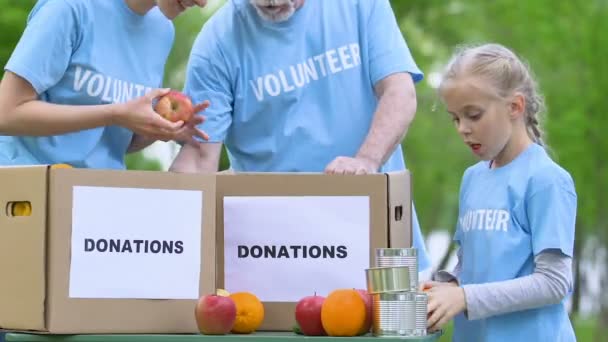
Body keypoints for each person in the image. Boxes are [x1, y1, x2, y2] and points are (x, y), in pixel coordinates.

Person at [170, 0, 432, 274]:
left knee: (390, 316)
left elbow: (399, 93)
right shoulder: (217, 42)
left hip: (375, 236)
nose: (272, 2)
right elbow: (199, 159)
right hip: (276, 254)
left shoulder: (360, 5)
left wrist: (366, 160)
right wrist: (169, 233)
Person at [422, 43, 576, 341]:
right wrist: (444, 288)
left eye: (474, 115)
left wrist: (465, 297)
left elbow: (554, 282)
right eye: (455, 118)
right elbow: (471, 265)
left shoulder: (546, 180)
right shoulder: (472, 178)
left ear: (515, 107)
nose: (462, 129)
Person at [0, 0, 209, 169]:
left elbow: (114, 143)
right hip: (28, 189)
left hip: (97, 193)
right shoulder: (68, 7)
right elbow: (6, 114)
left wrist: (156, 131)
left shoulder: (163, 30)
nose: (202, 3)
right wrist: (113, 114)